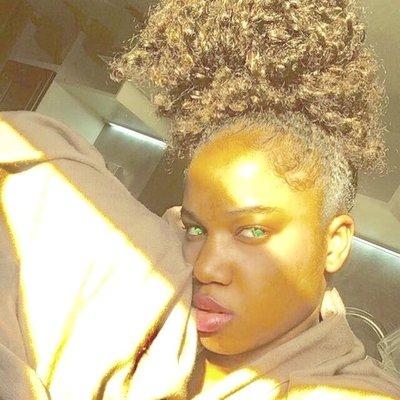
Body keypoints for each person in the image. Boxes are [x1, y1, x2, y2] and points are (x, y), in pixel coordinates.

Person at [110, 0, 400, 397]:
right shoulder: (142, 308)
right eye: (196, 229)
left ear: (333, 243)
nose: (204, 268)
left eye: (253, 231)